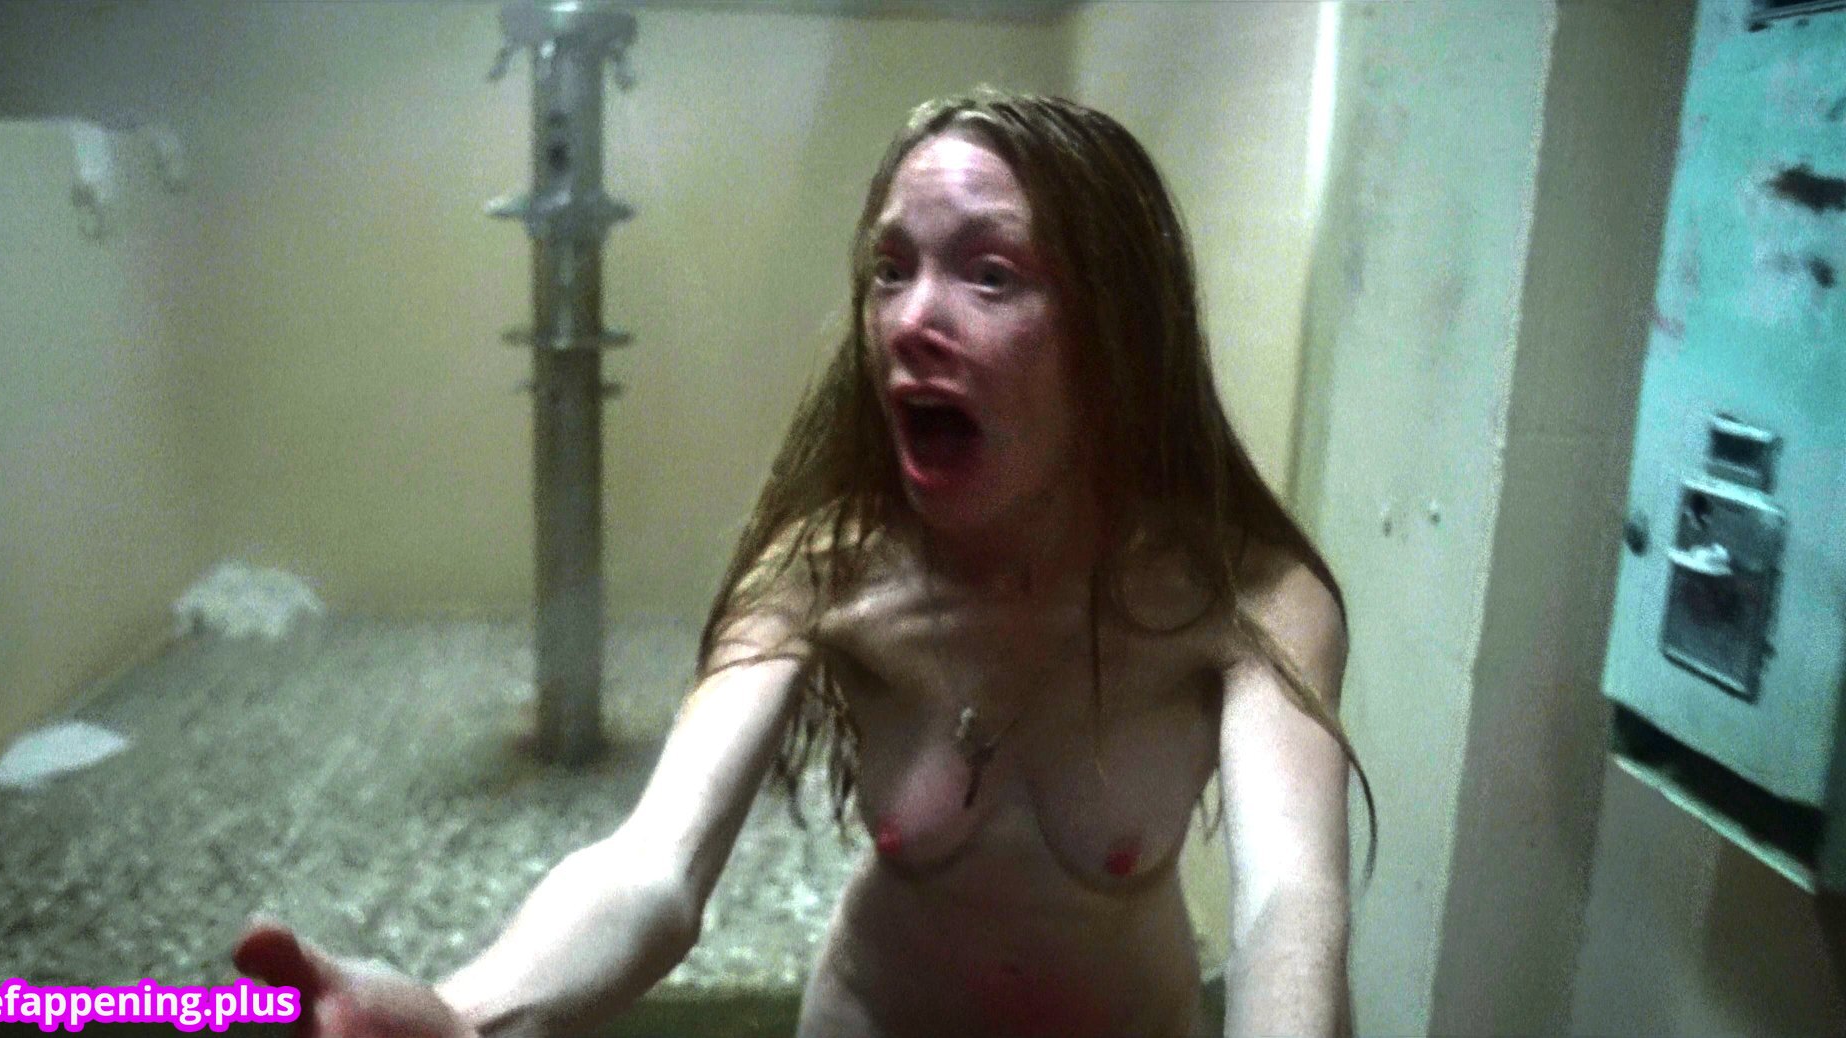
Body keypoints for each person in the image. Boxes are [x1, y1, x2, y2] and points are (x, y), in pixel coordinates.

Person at [234, 87, 1375, 1038]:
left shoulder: (1247, 596)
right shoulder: (826, 574)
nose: (911, 320)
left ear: (1118, 333)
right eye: (890, 269)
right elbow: (652, 870)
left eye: (989, 274)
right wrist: (459, 1013)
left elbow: (1289, 906)